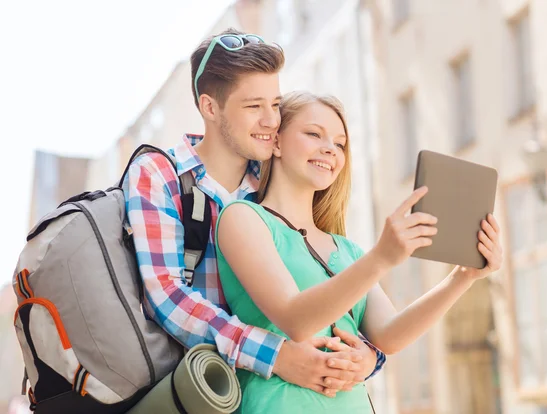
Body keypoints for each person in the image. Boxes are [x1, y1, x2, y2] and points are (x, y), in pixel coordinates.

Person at [122, 28, 386, 399]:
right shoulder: (159, 174)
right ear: (209, 107)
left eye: (275, 104)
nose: (271, 121)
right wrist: (276, 356)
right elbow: (167, 296)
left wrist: (369, 356)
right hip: (197, 391)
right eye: (253, 107)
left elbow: (325, 277)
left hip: (277, 395)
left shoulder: (272, 180)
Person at [215, 91, 504, 412]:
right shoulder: (243, 218)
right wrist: (381, 259)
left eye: (340, 144)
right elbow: (295, 320)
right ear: (277, 143)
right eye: (313, 134)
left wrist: (462, 278)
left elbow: (390, 337)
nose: (330, 149)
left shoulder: (348, 249)